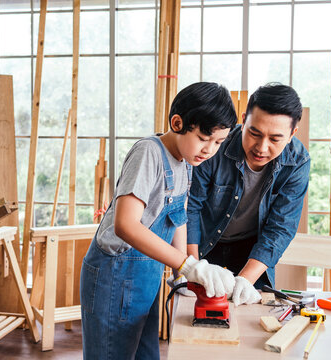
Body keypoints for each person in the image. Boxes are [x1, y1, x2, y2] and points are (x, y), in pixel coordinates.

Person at [80, 82, 238, 359]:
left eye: (218, 142)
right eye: (204, 138)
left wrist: (186, 272)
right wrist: (185, 264)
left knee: (146, 354)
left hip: (147, 275)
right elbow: (125, 225)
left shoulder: (186, 162)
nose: (209, 150)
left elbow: (178, 218)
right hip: (115, 275)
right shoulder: (149, 153)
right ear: (178, 123)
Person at [186, 83, 310, 307]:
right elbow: (192, 207)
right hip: (206, 243)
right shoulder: (215, 147)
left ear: (292, 134)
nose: (261, 148)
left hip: (253, 249)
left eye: (275, 139)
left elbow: (281, 227)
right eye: (254, 133)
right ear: (243, 120)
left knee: (251, 316)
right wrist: (192, 266)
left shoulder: (298, 161)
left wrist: (245, 278)